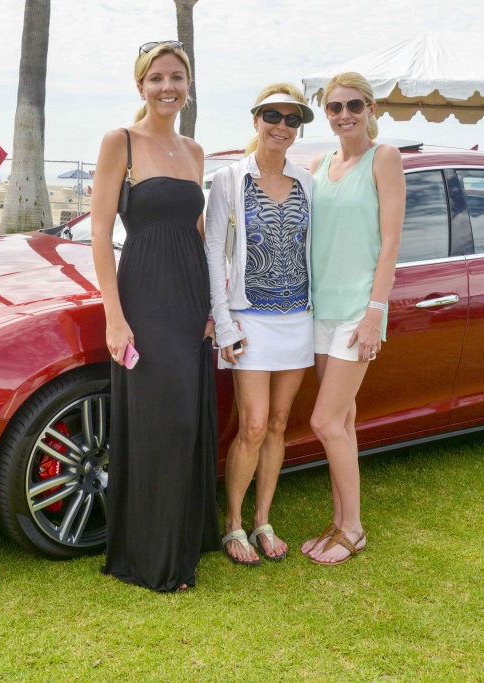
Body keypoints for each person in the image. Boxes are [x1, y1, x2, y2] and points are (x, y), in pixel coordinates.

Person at [91, 40, 219, 592]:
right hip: (144, 291)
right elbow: (99, 233)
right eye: (157, 78)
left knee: (189, 419)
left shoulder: (195, 151)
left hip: (191, 296)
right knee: (163, 421)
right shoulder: (120, 141)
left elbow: (200, 233)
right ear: (140, 85)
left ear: (189, 85)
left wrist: (214, 308)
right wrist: (113, 317)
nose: (168, 87)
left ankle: (184, 538)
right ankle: (155, 558)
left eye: (178, 77)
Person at [204, 84, 315, 565]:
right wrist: (224, 324)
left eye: (292, 119)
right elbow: (213, 253)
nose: (282, 126)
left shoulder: (308, 180)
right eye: (273, 115)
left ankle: (263, 521)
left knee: (278, 423)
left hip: (299, 317)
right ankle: (232, 522)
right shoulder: (229, 179)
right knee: (250, 424)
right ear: (256, 120)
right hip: (250, 318)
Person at [301, 72, 405, 566]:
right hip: (319, 309)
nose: (344, 115)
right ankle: (340, 521)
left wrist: (374, 315)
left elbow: (390, 242)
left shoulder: (384, 159)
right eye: (335, 107)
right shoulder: (321, 164)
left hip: (358, 312)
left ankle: (355, 530)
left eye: (354, 106)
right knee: (342, 419)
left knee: (323, 420)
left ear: (371, 108)